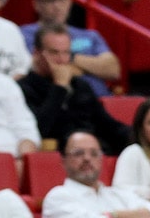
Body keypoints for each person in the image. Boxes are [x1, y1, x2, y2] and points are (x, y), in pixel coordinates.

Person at [20, 23, 131, 154]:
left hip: (95, 152)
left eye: (66, 53)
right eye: (54, 53)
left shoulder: (80, 86)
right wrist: (59, 88)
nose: (62, 60)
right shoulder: (23, 88)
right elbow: (38, 130)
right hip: (58, 157)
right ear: (36, 53)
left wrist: (142, 137)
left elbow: (109, 126)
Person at [21, 0, 120, 97]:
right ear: (36, 4)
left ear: (69, 1)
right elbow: (45, 69)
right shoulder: (24, 34)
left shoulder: (90, 35)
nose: (57, 6)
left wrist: (72, 58)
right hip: (60, 102)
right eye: (50, 1)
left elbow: (113, 70)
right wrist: (92, 68)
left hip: (100, 102)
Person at [42, 131, 150, 218]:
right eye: (79, 153)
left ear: (101, 159)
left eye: (94, 153)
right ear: (64, 161)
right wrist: (133, 215)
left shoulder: (117, 194)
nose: (87, 158)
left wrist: (113, 214)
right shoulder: (58, 196)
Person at [0, 19, 40, 167]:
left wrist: (25, 161)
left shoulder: (5, 83)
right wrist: (1, 164)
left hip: (14, 163)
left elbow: (25, 127)